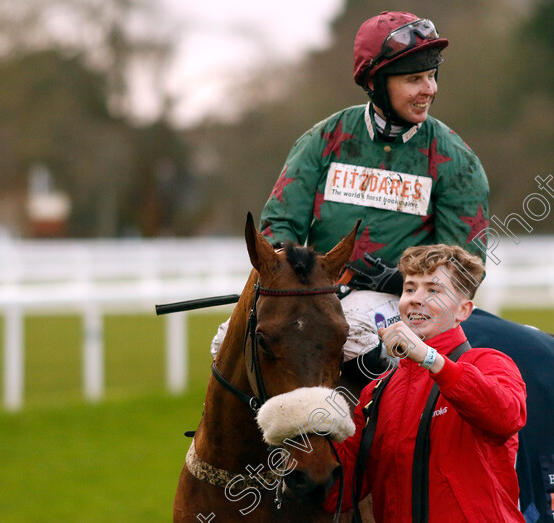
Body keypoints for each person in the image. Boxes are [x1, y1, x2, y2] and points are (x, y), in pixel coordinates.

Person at [212, 11, 490, 369]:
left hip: (404, 306)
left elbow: (464, 269)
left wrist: (396, 279)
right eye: (414, 79)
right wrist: (296, 277)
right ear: (375, 82)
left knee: (350, 337)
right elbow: (280, 228)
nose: (429, 89)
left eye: (432, 76)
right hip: (316, 293)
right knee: (227, 343)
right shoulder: (324, 139)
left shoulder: (457, 161)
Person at [325, 244, 527, 522]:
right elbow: (339, 494)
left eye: (433, 290)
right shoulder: (376, 392)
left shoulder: (489, 362)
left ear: (463, 310)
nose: (415, 299)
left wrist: (431, 359)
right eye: (409, 289)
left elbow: (506, 416)